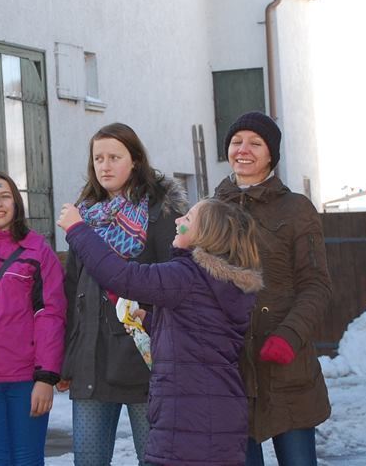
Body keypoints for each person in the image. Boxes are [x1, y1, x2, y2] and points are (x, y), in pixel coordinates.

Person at [58, 197, 263, 465]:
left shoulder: (185, 275)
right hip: (216, 414)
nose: (178, 221)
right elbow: (201, 333)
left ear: (207, 236)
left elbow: (122, 276)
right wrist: (150, 320)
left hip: (190, 421)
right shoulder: (219, 281)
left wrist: (78, 229)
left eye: (187, 219)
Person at [59, 122, 187, 466]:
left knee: (157, 459)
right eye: (98, 157)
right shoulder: (83, 215)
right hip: (91, 358)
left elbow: (173, 282)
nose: (105, 165)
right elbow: (72, 289)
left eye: (115, 156)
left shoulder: (159, 212)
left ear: (135, 161)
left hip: (145, 357)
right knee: (87, 461)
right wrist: (67, 357)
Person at [213, 111, 331, 466]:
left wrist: (289, 336)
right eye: (236, 142)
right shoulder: (210, 210)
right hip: (231, 369)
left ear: (271, 155)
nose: (243, 150)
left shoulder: (296, 209)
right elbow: (192, 280)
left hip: (287, 368)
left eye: (255, 143)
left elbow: (317, 285)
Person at [0, 171, 67, 466]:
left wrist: (46, 377)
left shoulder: (37, 250)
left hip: (26, 380)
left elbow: (51, 314)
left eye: (5, 196)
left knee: (28, 460)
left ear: (16, 203)